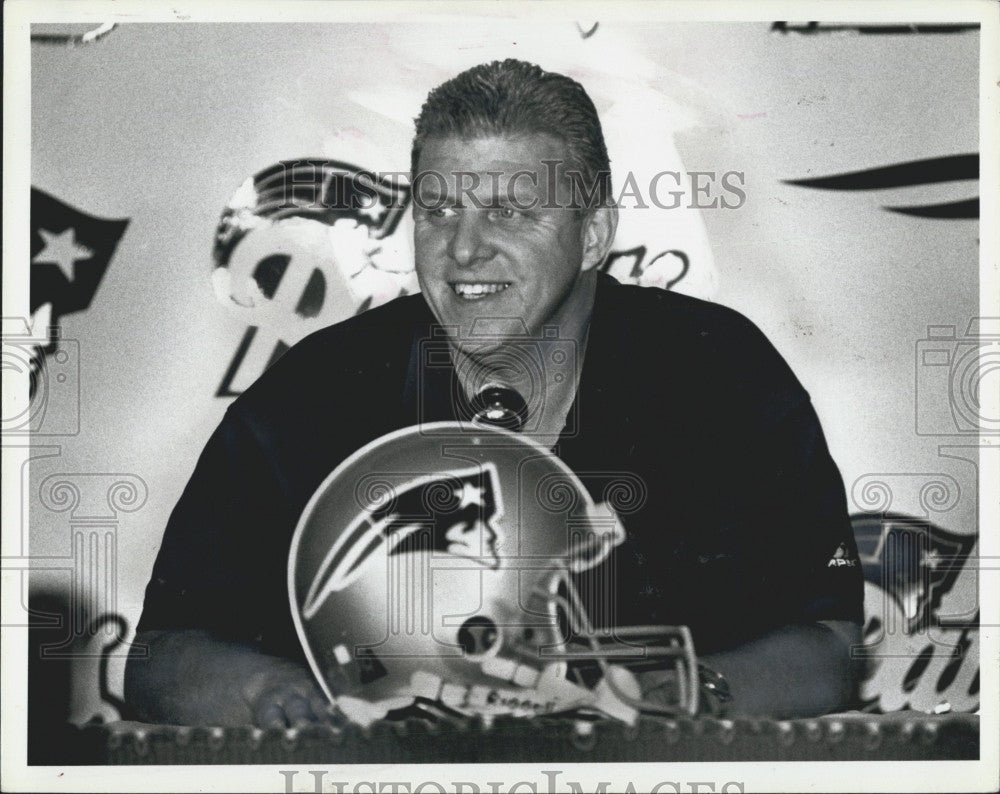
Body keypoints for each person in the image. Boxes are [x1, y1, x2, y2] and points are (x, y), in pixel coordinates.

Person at [124, 59, 863, 728]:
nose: (465, 249)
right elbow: (162, 654)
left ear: (595, 233)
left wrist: (682, 696)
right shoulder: (312, 395)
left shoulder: (718, 375)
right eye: (439, 211)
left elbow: (827, 643)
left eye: (509, 211)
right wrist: (272, 698)